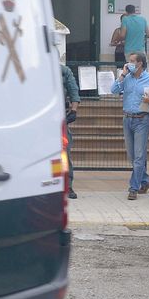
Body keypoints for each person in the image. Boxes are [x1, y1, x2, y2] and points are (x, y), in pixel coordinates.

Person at [110, 52, 149, 200]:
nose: (129, 63)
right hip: (127, 118)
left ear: (140, 63)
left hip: (142, 119)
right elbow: (113, 90)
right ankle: (145, 180)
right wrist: (122, 75)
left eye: (132, 61)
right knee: (132, 155)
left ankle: (134, 187)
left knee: (139, 155)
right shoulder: (126, 78)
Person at [61, 62, 80, 199]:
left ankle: (68, 185)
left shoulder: (63, 71)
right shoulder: (34, 70)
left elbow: (73, 91)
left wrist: (73, 110)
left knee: (64, 153)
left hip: (59, 117)